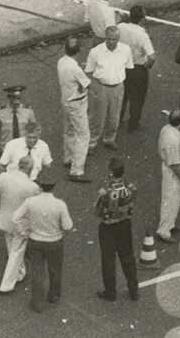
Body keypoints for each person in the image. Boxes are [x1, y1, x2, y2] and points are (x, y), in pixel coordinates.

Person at [12, 170, 72, 312]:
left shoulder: (30, 202)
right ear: (54, 186)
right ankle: (53, 295)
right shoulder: (60, 204)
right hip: (55, 241)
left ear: (39, 185)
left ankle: (37, 303)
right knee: (55, 269)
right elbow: (68, 226)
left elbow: (15, 218)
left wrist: (24, 231)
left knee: (37, 271)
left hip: (35, 240)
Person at [0, 155, 40, 293]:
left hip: (4, 219)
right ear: (30, 169)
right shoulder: (32, 187)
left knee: (12, 247)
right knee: (16, 251)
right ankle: (6, 285)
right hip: (21, 224)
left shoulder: (4, 177)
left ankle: (20, 273)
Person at [93, 157, 138, 302]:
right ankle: (134, 290)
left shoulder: (105, 192)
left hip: (108, 227)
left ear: (111, 172)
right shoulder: (131, 187)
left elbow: (97, 211)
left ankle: (110, 292)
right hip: (125, 224)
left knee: (108, 260)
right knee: (128, 257)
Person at [84, 26, 131, 151]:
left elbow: (128, 66)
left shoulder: (126, 50)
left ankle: (109, 139)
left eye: (114, 39)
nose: (111, 42)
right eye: (109, 39)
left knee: (114, 116)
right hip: (101, 87)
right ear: (105, 38)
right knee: (96, 116)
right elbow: (88, 71)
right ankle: (91, 142)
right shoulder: (95, 52)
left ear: (118, 39)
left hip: (118, 87)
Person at [55, 39, 91, 183]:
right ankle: (76, 170)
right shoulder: (76, 69)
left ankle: (69, 157)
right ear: (79, 51)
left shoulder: (61, 62)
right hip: (77, 103)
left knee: (69, 131)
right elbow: (87, 84)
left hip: (66, 101)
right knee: (83, 136)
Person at [117, 7, 155, 131]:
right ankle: (133, 123)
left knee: (122, 95)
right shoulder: (142, 35)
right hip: (138, 69)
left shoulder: (121, 27)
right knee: (137, 98)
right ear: (142, 19)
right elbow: (151, 57)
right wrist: (146, 66)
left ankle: (117, 118)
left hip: (123, 66)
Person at [156, 110, 180, 242]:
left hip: (171, 168)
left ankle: (170, 224)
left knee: (174, 200)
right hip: (173, 172)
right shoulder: (173, 140)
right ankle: (164, 231)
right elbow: (174, 164)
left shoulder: (167, 129)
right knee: (170, 200)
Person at [0, 83, 39, 166]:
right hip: (6, 151)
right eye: (13, 98)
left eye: (18, 98)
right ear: (8, 98)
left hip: (24, 150)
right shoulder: (0, 113)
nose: (16, 101)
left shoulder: (28, 112)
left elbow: (34, 132)